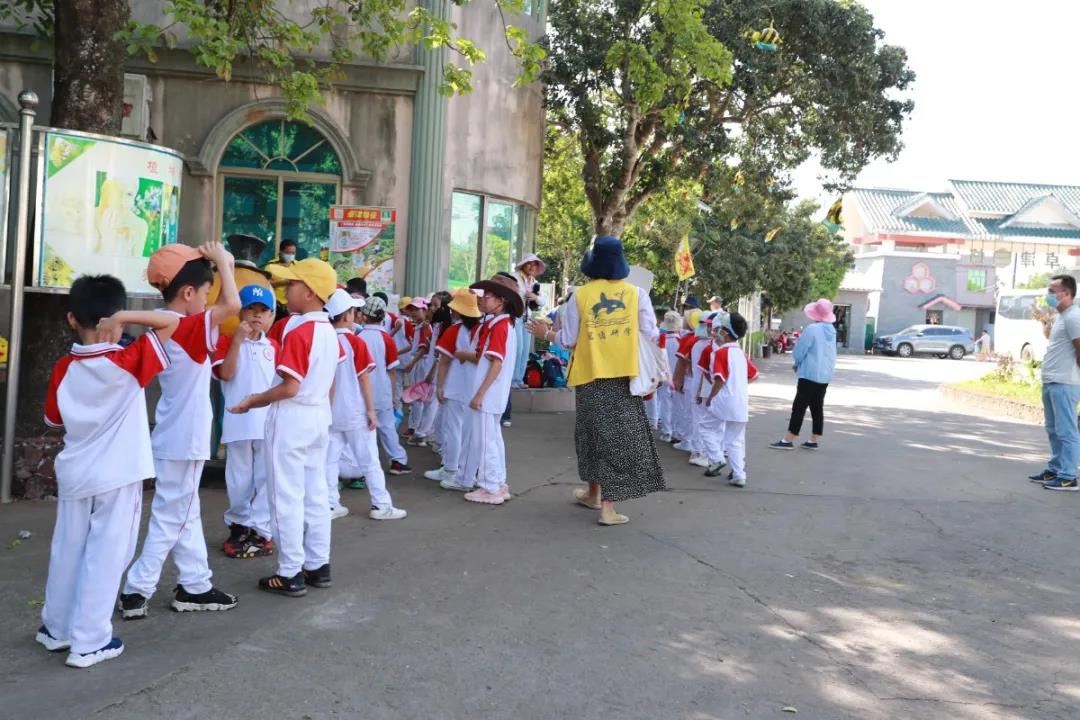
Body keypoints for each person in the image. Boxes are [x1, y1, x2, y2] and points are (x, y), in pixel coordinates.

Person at [38, 275, 179, 668]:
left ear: (71, 319)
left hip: (76, 473)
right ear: (116, 315)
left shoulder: (65, 367)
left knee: (67, 550)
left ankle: (56, 629)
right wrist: (126, 316)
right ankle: (90, 641)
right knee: (107, 555)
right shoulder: (128, 361)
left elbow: (53, 419)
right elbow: (173, 322)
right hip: (118, 475)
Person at [120, 242, 241, 620]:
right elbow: (234, 307)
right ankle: (136, 588)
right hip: (184, 438)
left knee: (184, 512)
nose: (209, 301)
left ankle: (196, 585)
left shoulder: (167, 320)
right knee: (172, 516)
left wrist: (223, 265)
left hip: (173, 435)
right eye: (206, 293)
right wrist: (223, 261)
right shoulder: (189, 327)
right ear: (188, 293)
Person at [528, 236, 665, 526]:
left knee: (590, 434)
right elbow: (651, 333)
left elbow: (567, 340)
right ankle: (606, 507)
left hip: (589, 376)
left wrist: (545, 333)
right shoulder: (637, 294)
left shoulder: (580, 295)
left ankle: (594, 493)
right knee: (616, 439)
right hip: (624, 375)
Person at [228, 258, 342, 597]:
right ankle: (318, 565)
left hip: (292, 415)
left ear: (308, 292)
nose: (285, 290)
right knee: (316, 493)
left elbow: (290, 386)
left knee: (285, 496)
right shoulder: (328, 330)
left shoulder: (299, 329)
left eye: (291, 285)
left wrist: (254, 400)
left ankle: (290, 571)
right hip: (318, 414)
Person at [323, 289, 408, 520]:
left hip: (331, 411)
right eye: (353, 311)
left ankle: (330, 503)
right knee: (369, 460)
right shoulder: (355, 343)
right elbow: (364, 378)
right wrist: (371, 410)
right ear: (347, 315)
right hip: (355, 410)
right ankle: (381, 505)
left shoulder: (326, 339)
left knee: (329, 459)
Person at [212, 285, 278, 559]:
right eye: (251, 309)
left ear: (271, 315)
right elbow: (225, 375)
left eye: (263, 311)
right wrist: (238, 341)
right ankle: (239, 524)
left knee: (266, 477)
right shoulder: (226, 342)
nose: (256, 316)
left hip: (267, 421)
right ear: (241, 311)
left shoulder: (273, 346)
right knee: (239, 478)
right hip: (238, 421)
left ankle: (261, 529)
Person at [443, 275, 522, 503]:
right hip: (492, 393)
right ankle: (497, 483)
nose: (481, 299)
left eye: (486, 296)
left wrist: (479, 393)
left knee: (484, 439)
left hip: (489, 393)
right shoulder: (500, 324)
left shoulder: (499, 326)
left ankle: (490, 488)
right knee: (492, 438)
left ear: (502, 300)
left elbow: (496, 363)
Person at [425, 288, 483, 487]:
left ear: (458, 312)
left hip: (456, 386)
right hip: (475, 388)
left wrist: (440, 386)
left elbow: (444, 361)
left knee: (453, 430)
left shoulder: (453, 331)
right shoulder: (481, 330)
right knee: (468, 431)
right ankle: (462, 470)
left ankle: (451, 470)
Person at [1029, 275, 1080, 491]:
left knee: (1066, 431)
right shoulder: (1062, 316)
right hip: (1052, 381)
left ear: (1067, 293)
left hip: (1065, 383)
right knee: (1053, 429)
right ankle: (1056, 468)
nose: (1048, 295)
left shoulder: (1074, 317)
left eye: (1053, 291)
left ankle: (1069, 476)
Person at [770, 298, 838, 451]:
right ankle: (814, 439)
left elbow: (800, 350)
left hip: (809, 374)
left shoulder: (812, 329)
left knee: (799, 406)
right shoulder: (832, 331)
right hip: (825, 374)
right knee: (817, 406)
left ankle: (789, 439)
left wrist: (797, 363)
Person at [701, 313, 759, 487]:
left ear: (725, 332)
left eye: (718, 329)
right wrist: (738, 383)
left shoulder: (721, 352)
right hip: (740, 401)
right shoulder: (741, 353)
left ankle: (717, 458)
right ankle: (739, 475)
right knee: (735, 439)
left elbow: (719, 379)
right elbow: (754, 375)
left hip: (724, 399)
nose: (715, 332)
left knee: (705, 427)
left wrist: (711, 397)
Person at [357, 296, 413, 476]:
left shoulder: (358, 337)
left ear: (363, 315)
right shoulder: (386, 338)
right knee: (387, 428)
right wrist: (393, 395)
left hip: (360, 392)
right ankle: (397, 460)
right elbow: (392, 370)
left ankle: (359, 468)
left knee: (361, 431)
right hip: (382, 391)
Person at [512, 254, 546, 387]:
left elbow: (543, 301)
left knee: (525, 350)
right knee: (517, 348)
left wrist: (535, 297)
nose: (532, 267)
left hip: (528, 318)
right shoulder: (514, 277)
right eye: (529, 263)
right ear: (523, 265)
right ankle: (512, 380)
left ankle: (519, 379)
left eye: (535, 264)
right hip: (516, 317)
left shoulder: (535, 283)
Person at [264, 239, 299, 310]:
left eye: (293, 253)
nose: (290, 255)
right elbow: (266, 286)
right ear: (281, 252)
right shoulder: (270, 266)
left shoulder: (299, 266)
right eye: (288, 253)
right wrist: (284, 282)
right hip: (277, 306)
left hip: (294, 307)